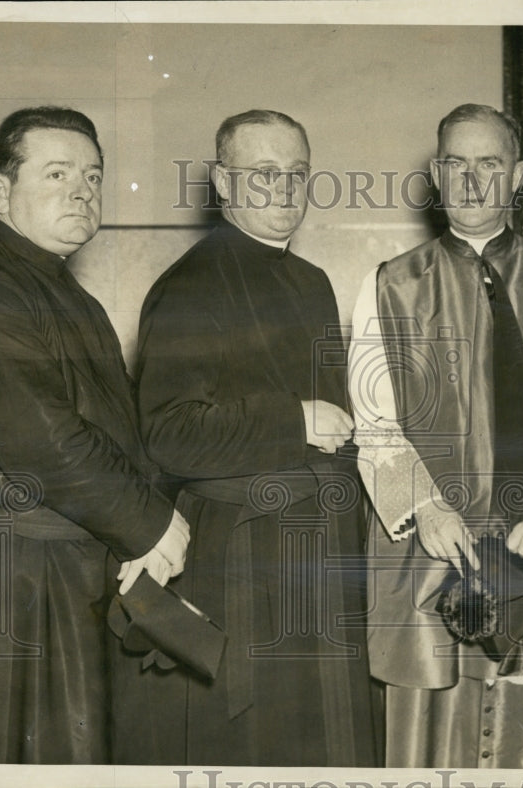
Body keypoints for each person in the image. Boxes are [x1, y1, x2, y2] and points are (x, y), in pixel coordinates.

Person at [0, 106, 190, 764]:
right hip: (9, 575)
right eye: (57, 173)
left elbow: (118, 432)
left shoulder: (66, 294)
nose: (81, 191)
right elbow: (41, 436)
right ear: (2, 192)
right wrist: (151, 523)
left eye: (92, 177)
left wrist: (147, 527)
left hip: (63, 567)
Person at [349, 104, 523, 769]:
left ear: (519, 176)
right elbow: (375, 422)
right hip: (435, 544)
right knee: (438, 729)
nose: (472, 180)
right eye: (457, 164)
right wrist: (426, 507)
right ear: (436, 175)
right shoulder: (389, 286)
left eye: (490, 163)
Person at [117, 109, 379, 766]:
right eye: (264, 175)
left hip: (320, 552)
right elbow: (169, 435)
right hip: (243, 562)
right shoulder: (187, 285)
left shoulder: (312, 281)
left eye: (296, 174)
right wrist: (291, 420)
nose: (284, 190)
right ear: (223, 182)